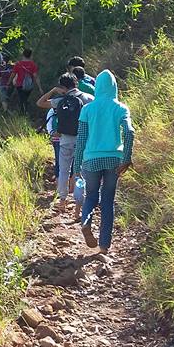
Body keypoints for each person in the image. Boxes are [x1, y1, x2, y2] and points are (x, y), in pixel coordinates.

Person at [73, 70, 134, 255]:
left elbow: (81, 139)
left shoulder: (87, 109)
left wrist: (76, 167)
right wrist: (127, 158)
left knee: (91, 196)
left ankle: (86, 221)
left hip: (90, 160)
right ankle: (104, 245)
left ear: (97, 87)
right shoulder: (121, 108)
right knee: (107, 200)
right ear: (114, 87)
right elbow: (130, 132)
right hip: (114, 160)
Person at [37, 73, 94, 213]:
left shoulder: (60, 100)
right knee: (80, 171)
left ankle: (62, 201)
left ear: (62, 86)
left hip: (65, 140)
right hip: (84, 140)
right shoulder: (88, 98)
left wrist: (54, 91)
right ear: (76, 83)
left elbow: (40, 103)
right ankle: (78, 205)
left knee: (64, 170)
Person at [9, 48, 41, 113]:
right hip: (29, 85)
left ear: (23, 55)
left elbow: (13, 74)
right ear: (31, 55)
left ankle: (22, 113)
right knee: (25, 99)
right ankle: (24, 112)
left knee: (22, 99)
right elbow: (36, 76)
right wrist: (40, 87)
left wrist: (8, 82)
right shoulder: (33, 64)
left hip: (19, 85)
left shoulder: (18, 64)